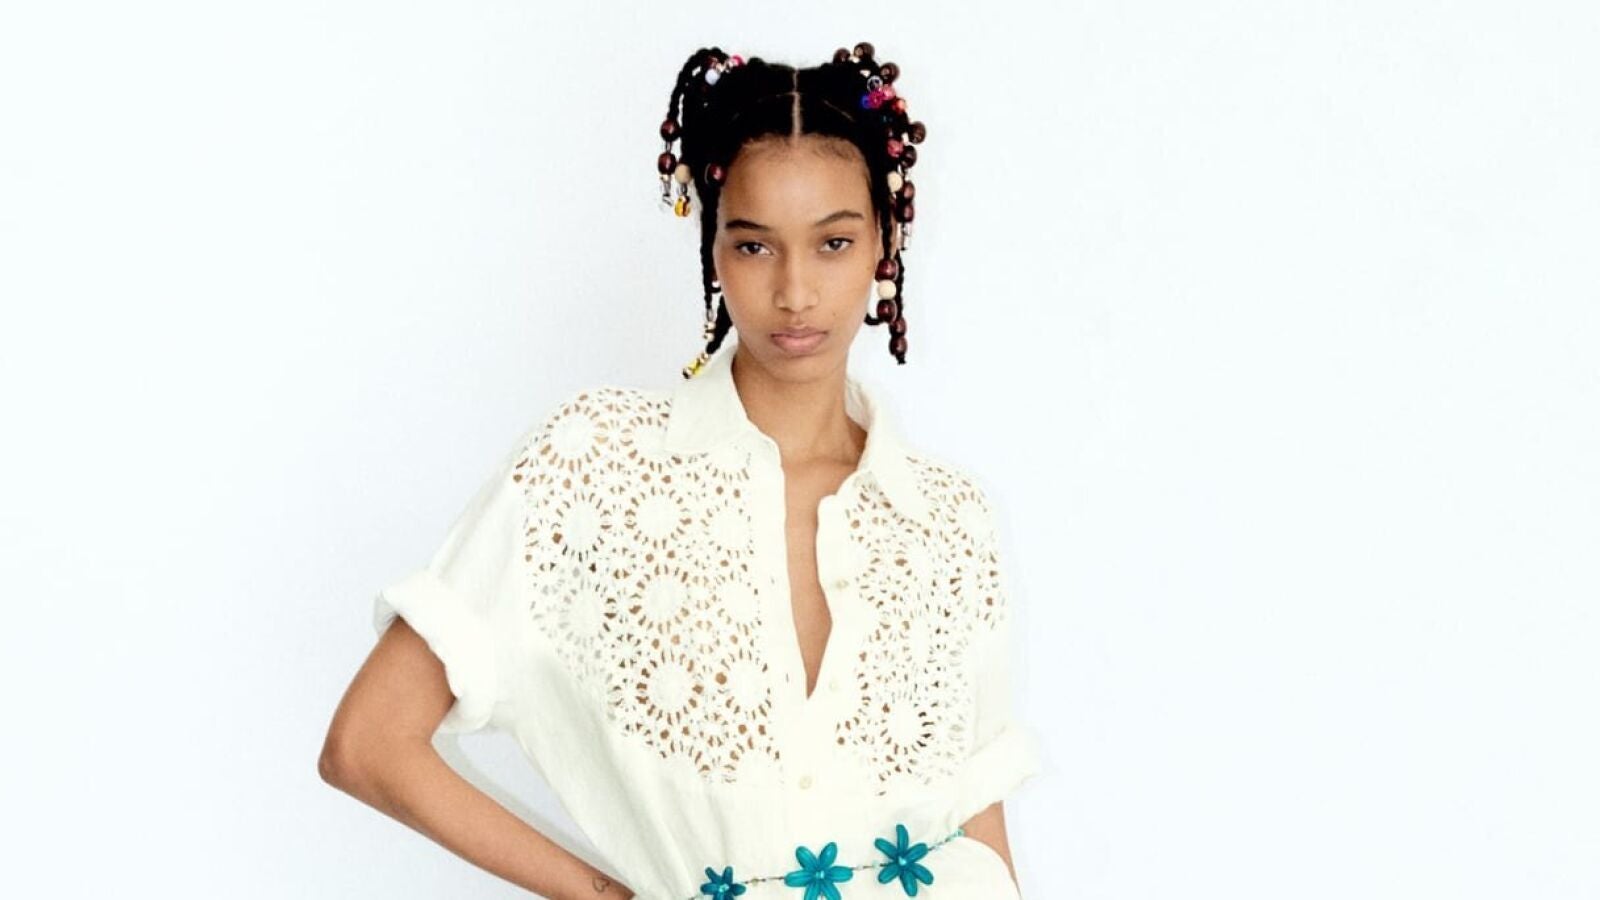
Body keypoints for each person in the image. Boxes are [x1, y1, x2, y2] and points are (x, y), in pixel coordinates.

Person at [319, 41, 1045, 900]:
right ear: (712, 248)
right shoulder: (594, 467)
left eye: (834, 242)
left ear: (884, 244)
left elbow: (979, 828)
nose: (797, 292)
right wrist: (605, 895)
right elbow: (369, 744)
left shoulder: (949, 519)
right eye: (755, 246)